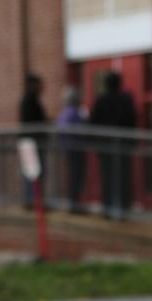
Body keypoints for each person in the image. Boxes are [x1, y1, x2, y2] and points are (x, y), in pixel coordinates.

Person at [90, 71, 136, 219]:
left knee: (108, 178)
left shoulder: (101, 100)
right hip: (121, 146)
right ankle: (122, 210)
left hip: (106, 147)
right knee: (122, 178)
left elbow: (93, 122)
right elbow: (132, 120)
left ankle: (108, 209)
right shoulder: (125, 100)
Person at [56, 86, 87, 214]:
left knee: (76, 177)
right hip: (74, 149)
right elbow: (70, 129)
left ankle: (74, 203)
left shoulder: (68, 112)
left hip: (72, 148)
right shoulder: (72, 112)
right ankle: (74, 204)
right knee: (76, 177)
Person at [18, 73, 48, 209]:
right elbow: (34, 121)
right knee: (33, 171)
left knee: (33, 172)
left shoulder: (30, 100)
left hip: (30, 142)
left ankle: (33, 200)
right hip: (31, 143)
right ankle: (33, 200)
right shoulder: (29, 101)